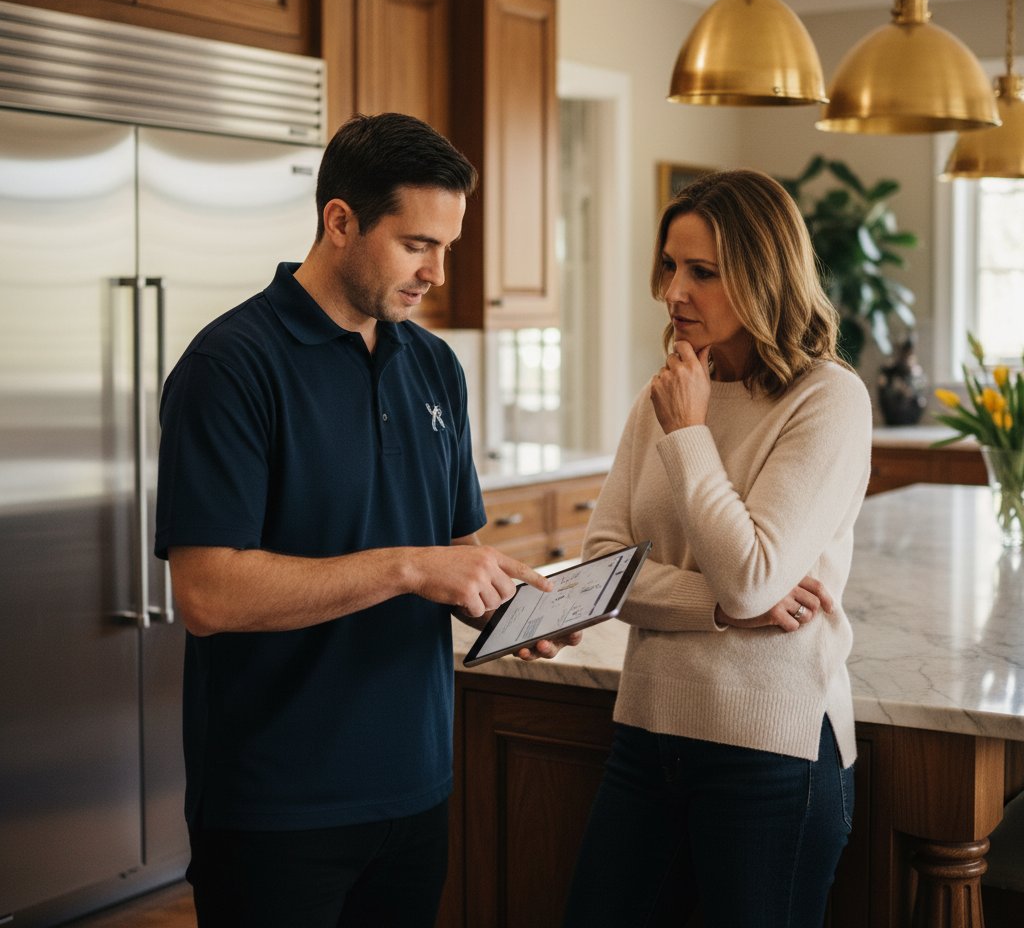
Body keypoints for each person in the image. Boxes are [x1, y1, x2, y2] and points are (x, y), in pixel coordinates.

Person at [155, 112, 578, 928]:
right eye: (418, 243)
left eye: (446, 247)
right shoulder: (231, 367)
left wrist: (505, 597)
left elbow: (450, 545)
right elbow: (206, 594)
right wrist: (412, 568)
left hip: (416, 781)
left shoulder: (433, 365)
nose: (437, 272)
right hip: (277, 802)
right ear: (339, 221)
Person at [561, 168, 872, 928]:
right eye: (671, 265)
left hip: (771, 754)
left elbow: (752, 576)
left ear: (765, 276)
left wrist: (691, 436)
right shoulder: (663, 394)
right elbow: (605, 571)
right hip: (646, 734)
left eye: (703, 271)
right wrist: (728, 612)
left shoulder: (827, 400)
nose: (675, 290)